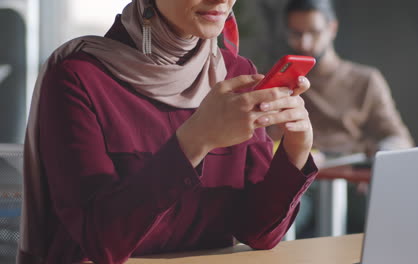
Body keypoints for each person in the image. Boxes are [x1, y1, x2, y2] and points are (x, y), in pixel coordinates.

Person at [18, 0, 318, 263]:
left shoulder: (236, 73)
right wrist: (196, 140)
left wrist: (296, 148)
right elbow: (100, 242)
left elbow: (259, 233)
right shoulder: (78, 77)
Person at [277, 0, 414, 238]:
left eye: (313, 32)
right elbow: (265, 140)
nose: (305, 43)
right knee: (284, 214)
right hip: (302, 180)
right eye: (297, 34)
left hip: (350, 178)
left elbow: (398, 137)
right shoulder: (281, 81)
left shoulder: (365, 80)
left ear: (332, 28)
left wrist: (377, 166)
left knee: (385, 211)